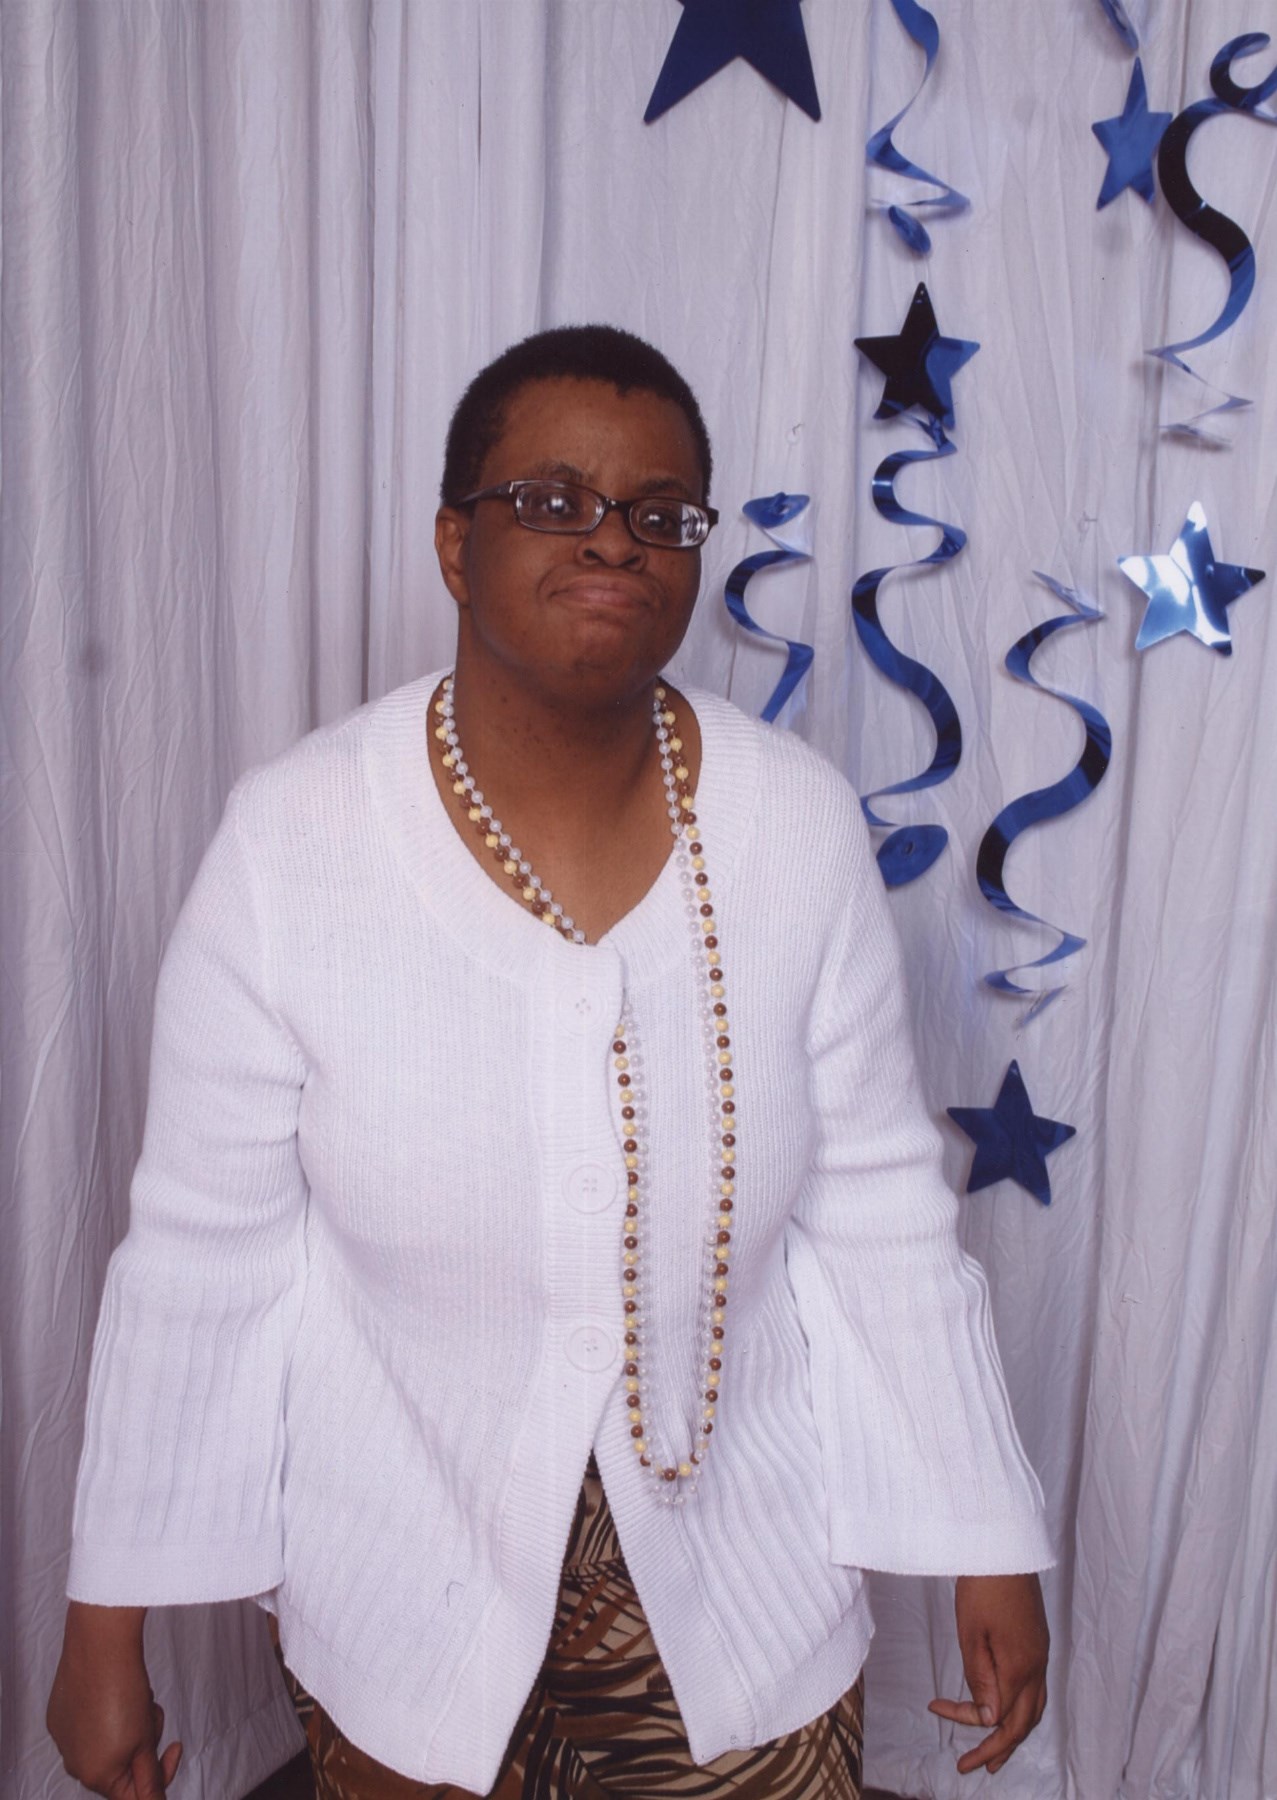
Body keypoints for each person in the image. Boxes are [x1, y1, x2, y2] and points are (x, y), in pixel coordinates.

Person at [49, 324, 1051, 1800]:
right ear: (456, 544)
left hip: (749, 1606)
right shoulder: (292, 841)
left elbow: (879, 1211)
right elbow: (204, 1257)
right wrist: (104, 1622)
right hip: (401, 1611)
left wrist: (983, 1535)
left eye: (661, 512)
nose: (615, 540)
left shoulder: (793, 823)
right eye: (554, 500)